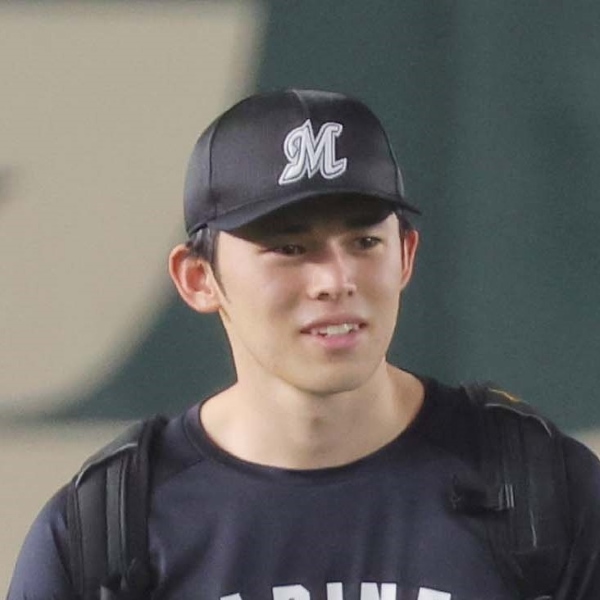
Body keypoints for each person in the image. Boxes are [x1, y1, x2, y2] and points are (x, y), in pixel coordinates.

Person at [7, 89, 600, 600]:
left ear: (405, 256)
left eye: (364, 242)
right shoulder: (108, 534)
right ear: (198, 278)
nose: (336, 279)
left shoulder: (544, 493)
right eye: (289, 248)